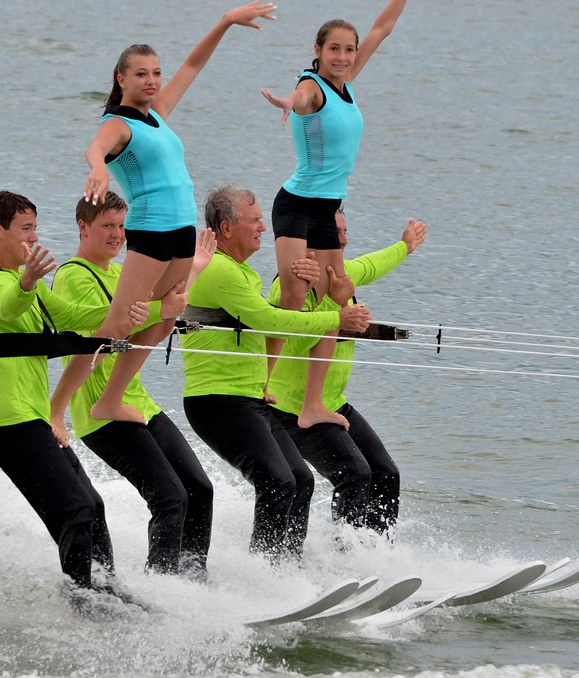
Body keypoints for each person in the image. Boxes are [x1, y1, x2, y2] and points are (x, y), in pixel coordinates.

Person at [51, 1, 277, 430]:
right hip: (152, 230)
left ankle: (110, 399)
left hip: (181, 230)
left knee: (169, 313)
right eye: (141, 74)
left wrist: (225, 21)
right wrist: (98, 168)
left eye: (155, 72)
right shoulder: (119, 122)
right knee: (118, 322)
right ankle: (58, 408)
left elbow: (192, 65)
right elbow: (96, 147)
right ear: (121, 79)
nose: (152, 80)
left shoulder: (155, 116)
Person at [0, 190, 151, 597]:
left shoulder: (24, 284)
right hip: (7, 422)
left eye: (35, 229)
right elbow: (8, 308)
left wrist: (127, 311)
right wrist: (29, 282)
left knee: (93, 508)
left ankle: (107, 593)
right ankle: (82, 606)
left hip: (29, 418)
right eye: (25, 230)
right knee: (75, 510)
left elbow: (73, 317)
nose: (33, 239)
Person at [181, 185, 371, 561]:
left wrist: (300, 294)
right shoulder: (221, 270)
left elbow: (271, 325)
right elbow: (269, 320)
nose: (263, 229)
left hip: (247, 397)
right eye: (254, 221)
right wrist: (336, 314)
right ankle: (265, 572)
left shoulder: (242, 272)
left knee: (300, 479)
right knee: (278, 481)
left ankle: (287, 567)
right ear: (226, 228)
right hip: (217, 400)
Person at [261, 1, 409, 431]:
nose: (342, 57)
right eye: (334, 50)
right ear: (318, 51)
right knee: (292, 296)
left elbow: (382, 28)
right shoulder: (314, 87)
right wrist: (287, 100)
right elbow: (302, 98)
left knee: (335, 299)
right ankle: (262, 383)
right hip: (296, 205)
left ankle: (312, 404)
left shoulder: (346, 82)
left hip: (326, 210)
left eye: (349, 50)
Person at [51, 191, 215, 579]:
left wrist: (193, 271)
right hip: (99, 413)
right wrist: (157, 310)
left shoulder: (120, 273)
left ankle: (193, 582)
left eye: (122, 226)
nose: (117, 235)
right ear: (83, 227)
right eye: (107, 225)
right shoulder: (74, 275)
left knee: (199, 489)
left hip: (137, 403)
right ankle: (162, 587)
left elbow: (165, 305)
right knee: (170, 497)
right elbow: (104, 334)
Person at [267, 209, 426, 536]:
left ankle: (376, 553)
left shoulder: (340, 273)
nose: (345, 240)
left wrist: (404, 246)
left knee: (386, 474)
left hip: (332, 401)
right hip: (290, 408)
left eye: (344, 232)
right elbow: (290, 346)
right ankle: (343, 560)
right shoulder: (290, 288)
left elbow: (372, 264)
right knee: (354, 474)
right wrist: (336, 310)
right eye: (337, 234)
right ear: (315, 244)